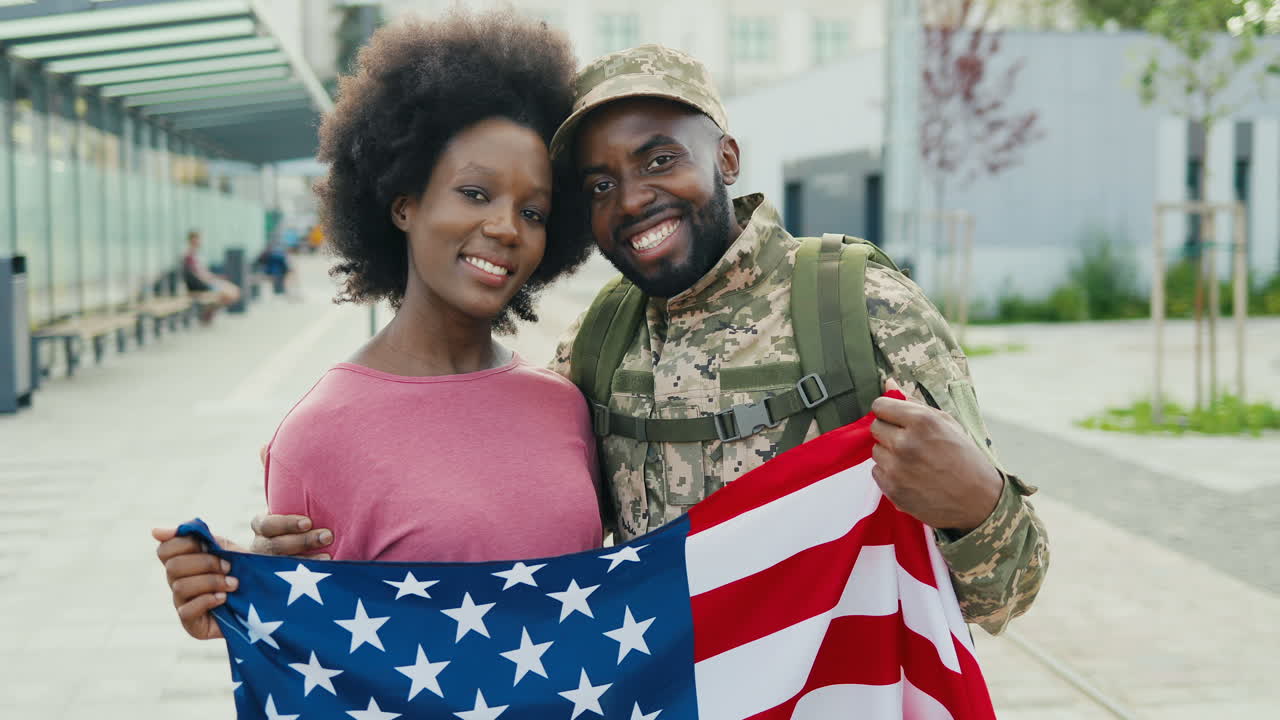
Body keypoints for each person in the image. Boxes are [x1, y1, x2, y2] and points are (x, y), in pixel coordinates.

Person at [161, 45, 1048, 637]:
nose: (631, 199)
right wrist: (264, 586)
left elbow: (1005, 593)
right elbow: (447, 463)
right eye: (597, 183)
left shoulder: (859, 305)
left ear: (726, 158)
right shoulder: (596, 350)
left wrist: (974, 504)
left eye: (660, 158)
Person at [153, 10, 600, 640]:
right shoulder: (316, 436)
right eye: (474, 193)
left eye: (533, 210)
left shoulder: (566, 406)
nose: (505, 227)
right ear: (403, 202)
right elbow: (322, 658)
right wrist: (241, 591)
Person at [182, 230, 241, 324]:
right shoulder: (189, 256)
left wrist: (213, 278)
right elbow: (196, 275)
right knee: (230, 293)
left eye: (198, 240)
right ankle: (207, 313)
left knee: (234, 291)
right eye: (196, 240)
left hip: (207, 282)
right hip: (202, 284)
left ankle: (208, 312)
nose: (198, 242)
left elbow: (203, 272)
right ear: (191, 241)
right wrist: (211, 279)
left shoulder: (197, 255)